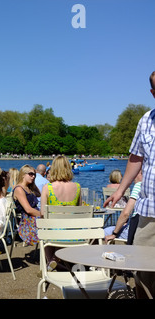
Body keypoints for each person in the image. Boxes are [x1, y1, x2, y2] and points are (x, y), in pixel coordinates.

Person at [104, 71, 155, 299]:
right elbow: (136, 159)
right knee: (143, 270)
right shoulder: (146, 120)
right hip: (150, 210)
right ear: (153, 93)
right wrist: (121, 190)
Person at [40, 155, 81, 270]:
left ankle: (52, 261)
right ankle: (56, 261)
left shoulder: (47, 187)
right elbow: (80, 210)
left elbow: (42, 213)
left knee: (45, 228)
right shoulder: (77, 187)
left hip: (54, 232)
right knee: (61, 228)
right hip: (74, 232)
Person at [105, 170, 142, 244]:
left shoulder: (139, 186)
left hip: (132, 231)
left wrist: (114, 233)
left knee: (100, 232)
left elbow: (126, 213)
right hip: (141, 229)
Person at [13, 164, 41, 246]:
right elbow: (28, 209)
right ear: (23, 175)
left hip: (34, 216)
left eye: (34, 174)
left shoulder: (29, 188)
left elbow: (38, 194)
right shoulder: (19, 189)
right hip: (27, 219)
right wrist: (44, 215)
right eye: (30, 174)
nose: (33, 176)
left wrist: (32, 184)